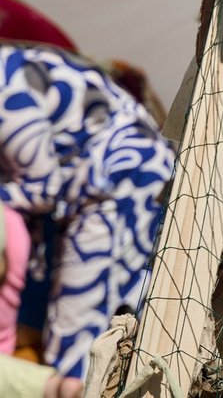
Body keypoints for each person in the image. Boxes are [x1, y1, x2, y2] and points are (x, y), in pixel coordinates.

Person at [0, 42, 176, 379]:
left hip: (119, 184)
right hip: (111, 186)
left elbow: (43, 186)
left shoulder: (7, 93)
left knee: (75, 333)